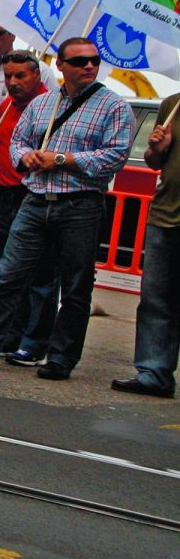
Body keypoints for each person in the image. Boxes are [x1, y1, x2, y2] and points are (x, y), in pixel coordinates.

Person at [0, 36, 130, 379]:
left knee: (75, 287)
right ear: (61, 66)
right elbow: (18, 141)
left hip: (80, 204)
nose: (89, 66)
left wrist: (62, 158)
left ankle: (61, 357)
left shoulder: (113, 106)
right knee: (7, 277)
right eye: (79, 61)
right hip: (34, 201)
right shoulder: (42, 105)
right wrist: (27, 156)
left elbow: (115, 156)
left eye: (93, 60)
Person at [0, 51, 56, 364]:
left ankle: (35, 341)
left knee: (37, 274)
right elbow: (3, 150)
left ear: (37, 76)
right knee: (3, 268)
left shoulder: (49, 106)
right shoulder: (6, 107)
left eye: (20, 76)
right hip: (3, 192)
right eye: (8, 76)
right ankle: (9, 332)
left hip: (31, 195)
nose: (13, 82)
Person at [116, 84, 180, 397]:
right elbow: (154, 162)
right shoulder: (172, 105)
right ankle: (154, 371)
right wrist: (157, 148)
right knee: (157, 299)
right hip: (165, 214)